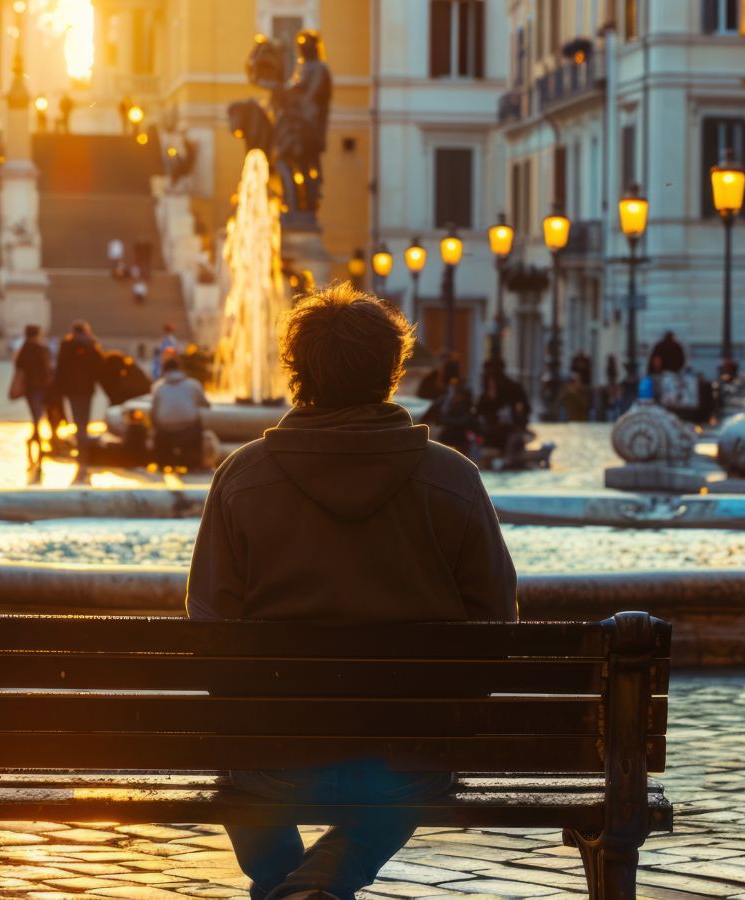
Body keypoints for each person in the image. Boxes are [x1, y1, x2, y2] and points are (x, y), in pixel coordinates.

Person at [186, 283, 516, 900]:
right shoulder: (453, 479)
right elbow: (497, 625)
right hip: (404, 764)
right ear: (393, 372)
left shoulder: (240, 478)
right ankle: (321, 881)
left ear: (295, 371)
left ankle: (294, 886)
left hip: (271, 763)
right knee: (403, 778)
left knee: (238, 753)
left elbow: (208, 631)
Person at [54, 320, 104, 463]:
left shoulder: (66, 345)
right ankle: (83, 449)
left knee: (78, 419)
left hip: (73, 389)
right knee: (84, 419)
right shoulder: (90, 345)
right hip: (85, 388)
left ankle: (81, 447)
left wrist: (59, 388)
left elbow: (60, 368)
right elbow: (99, 365)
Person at [150, 357, 210, 469]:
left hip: (164, 430)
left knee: (157, 429)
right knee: (198, 423)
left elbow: (153, 411)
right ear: (180, 369)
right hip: (188, 428)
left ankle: (162, 461)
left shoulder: (158, 387)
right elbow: (205, 404)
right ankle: (195, 461)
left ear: (164, 371)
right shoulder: (193, 384)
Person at [13, 323, 54, 451]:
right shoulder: (41, 349)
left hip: (29, 388)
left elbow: (18, 367)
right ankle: (36, 441)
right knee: (38, 415)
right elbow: (47, 369)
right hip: (40, 387)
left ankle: (35, 439)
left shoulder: (23, 349)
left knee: (36, 415)